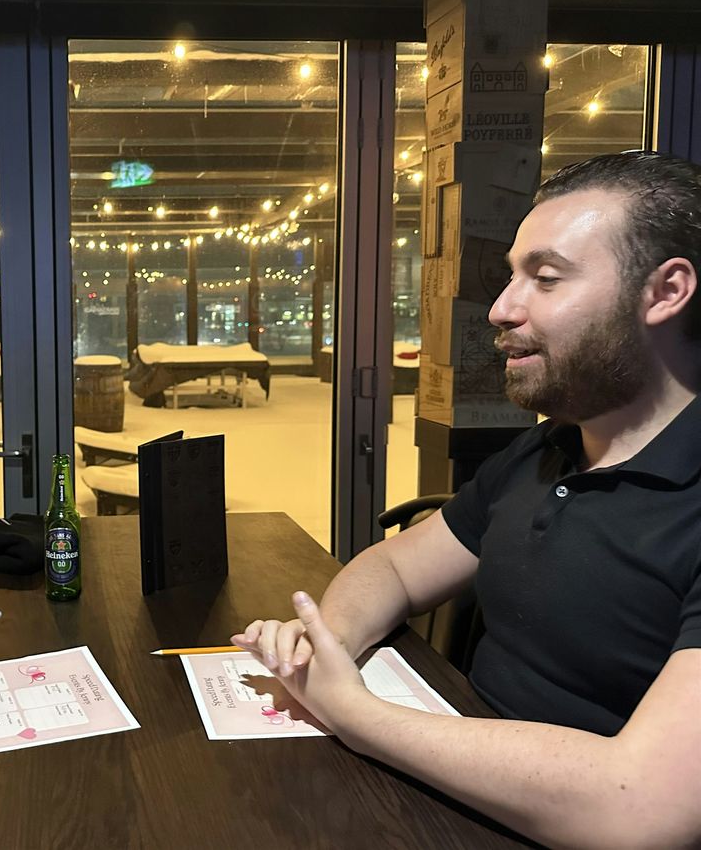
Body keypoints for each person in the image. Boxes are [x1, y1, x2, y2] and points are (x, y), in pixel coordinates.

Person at [232, 151, 701, 848]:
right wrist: (330, 644)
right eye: (512, 277)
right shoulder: (546, 447)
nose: (501, 309)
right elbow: (395, 566)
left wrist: (355, 714)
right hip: (444, 796)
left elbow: (641, 809)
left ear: (665, 291)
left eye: (545, 278)